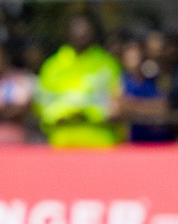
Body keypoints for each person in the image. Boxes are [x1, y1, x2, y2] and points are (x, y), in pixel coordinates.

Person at [35, 13, 122, 147]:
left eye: (85, 29)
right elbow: (42, 106)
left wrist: (88, 113)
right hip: (62, 143)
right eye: (76, 28)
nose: (81, 33)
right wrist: (67, 114)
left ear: (94, 31)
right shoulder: (52, 66)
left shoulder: (108, 65)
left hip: (99, 143)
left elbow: (117, 104)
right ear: (67, 31)